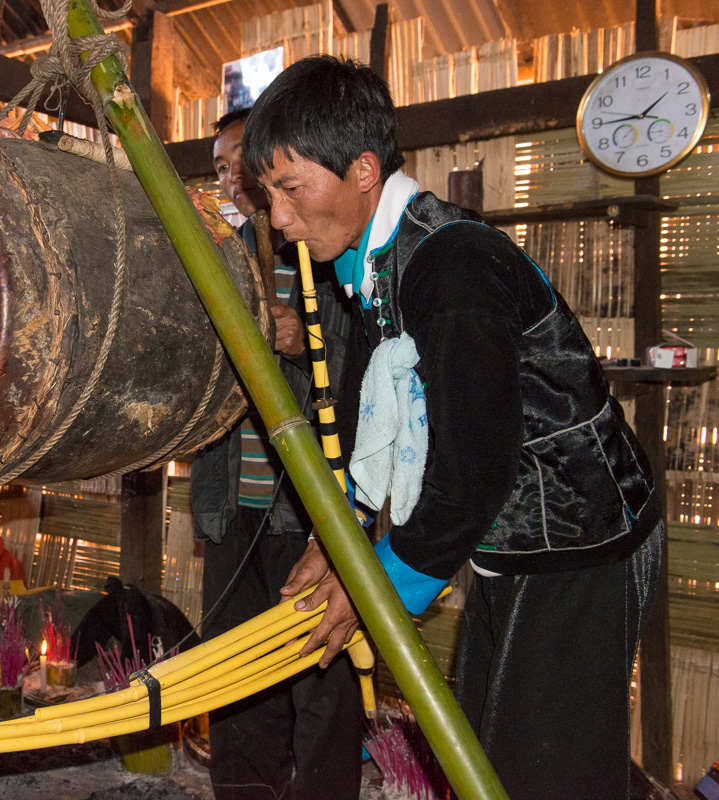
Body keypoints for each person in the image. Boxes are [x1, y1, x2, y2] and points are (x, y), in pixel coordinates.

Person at [243, 55, 663, 800]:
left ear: (362, 170)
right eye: (267, 195)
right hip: (508, 537)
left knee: (546, 773)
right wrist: (338, 530)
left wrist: (377, 592)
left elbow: (473, 465)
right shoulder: (374, 268)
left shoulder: (451, 266)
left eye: (288, 189)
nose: (277, 219)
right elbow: (375, 416)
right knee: (490, 754)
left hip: (578, 540)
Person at [189, 108, 361, 800]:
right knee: (234, 673)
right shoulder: (212, 257)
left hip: (308, 514)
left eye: (240, 161)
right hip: (233, 503)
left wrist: (301, 344)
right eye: (219, 165)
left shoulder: (323, 258)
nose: (229, 178)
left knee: (320, 678)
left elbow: (358, 382)